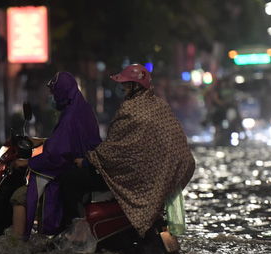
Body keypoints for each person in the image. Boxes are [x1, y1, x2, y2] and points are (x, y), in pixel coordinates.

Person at [59, 63, 196, 242]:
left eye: (124, 85)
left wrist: (87, 160)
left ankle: (75, 233)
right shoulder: (161, 107)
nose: (121, 89)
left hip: (135, 178)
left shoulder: (130, 110)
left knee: (69, 180)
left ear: (134, 86)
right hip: (163, 177)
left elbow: (115, 149)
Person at [10, 71, 102, 240]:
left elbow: (58, 155)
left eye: (54, 93)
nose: (52, 98)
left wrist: (27, 163)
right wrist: (44, 141)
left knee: (20, 197)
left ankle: (16, 246)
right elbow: (68, 141)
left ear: (62, 92)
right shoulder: (81, 108)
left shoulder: (70, 117)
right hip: (84, 166)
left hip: (69, 168)